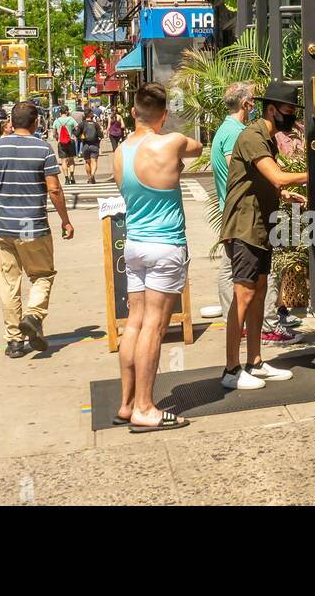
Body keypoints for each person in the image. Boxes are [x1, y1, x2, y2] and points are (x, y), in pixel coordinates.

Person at [113, 82, 202, 432]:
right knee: (155, 325)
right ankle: (146, 407)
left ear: (134, 112)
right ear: (164, 115)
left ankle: (127, 402)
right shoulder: (172, 142)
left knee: (134, 323)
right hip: (165, 247)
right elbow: (195, 147)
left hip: (134, 246)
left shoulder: (120, 152)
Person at [219, 81, 315, 391]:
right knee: (244, 295)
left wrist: (285, 195)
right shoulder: (251, 137)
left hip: (260, 224)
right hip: (245, 225)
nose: (292, 117)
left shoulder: (267, 138)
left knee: (259, 291)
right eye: (289, 111)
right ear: (272, 109)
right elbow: (275, 175)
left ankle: (255, 361)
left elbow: (264, 182)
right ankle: (231, 369)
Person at [0, 101, 74, 358]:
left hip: (2, 226)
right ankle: (34, 315)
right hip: (31, 225)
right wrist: (65, 220)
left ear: (12, 122)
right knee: (41, 274)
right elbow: (53, 189)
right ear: (35, 123)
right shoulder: (43, 149)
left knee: (8, 282)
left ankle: (14, 341)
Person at [50, 106, 78, 185]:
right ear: (67, 112)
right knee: (71, 160)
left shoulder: (56, 121)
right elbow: (77, 128)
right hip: (70, 141)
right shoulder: (71, 119)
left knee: (63, 161)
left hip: (61, 142)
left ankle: (66, 179)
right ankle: (72, 177)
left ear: (60, 113)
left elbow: (54, 133)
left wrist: (57, 138)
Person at [77, 108, 103, 184]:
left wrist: (81, 138)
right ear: (92, 116)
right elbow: (100, 135)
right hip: (94, 145)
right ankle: (92, 175)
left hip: (85, 145)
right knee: (94, 161)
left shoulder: (82, 124)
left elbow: (77, 134)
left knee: (87, 162)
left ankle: (89, 178)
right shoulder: (95, 124)